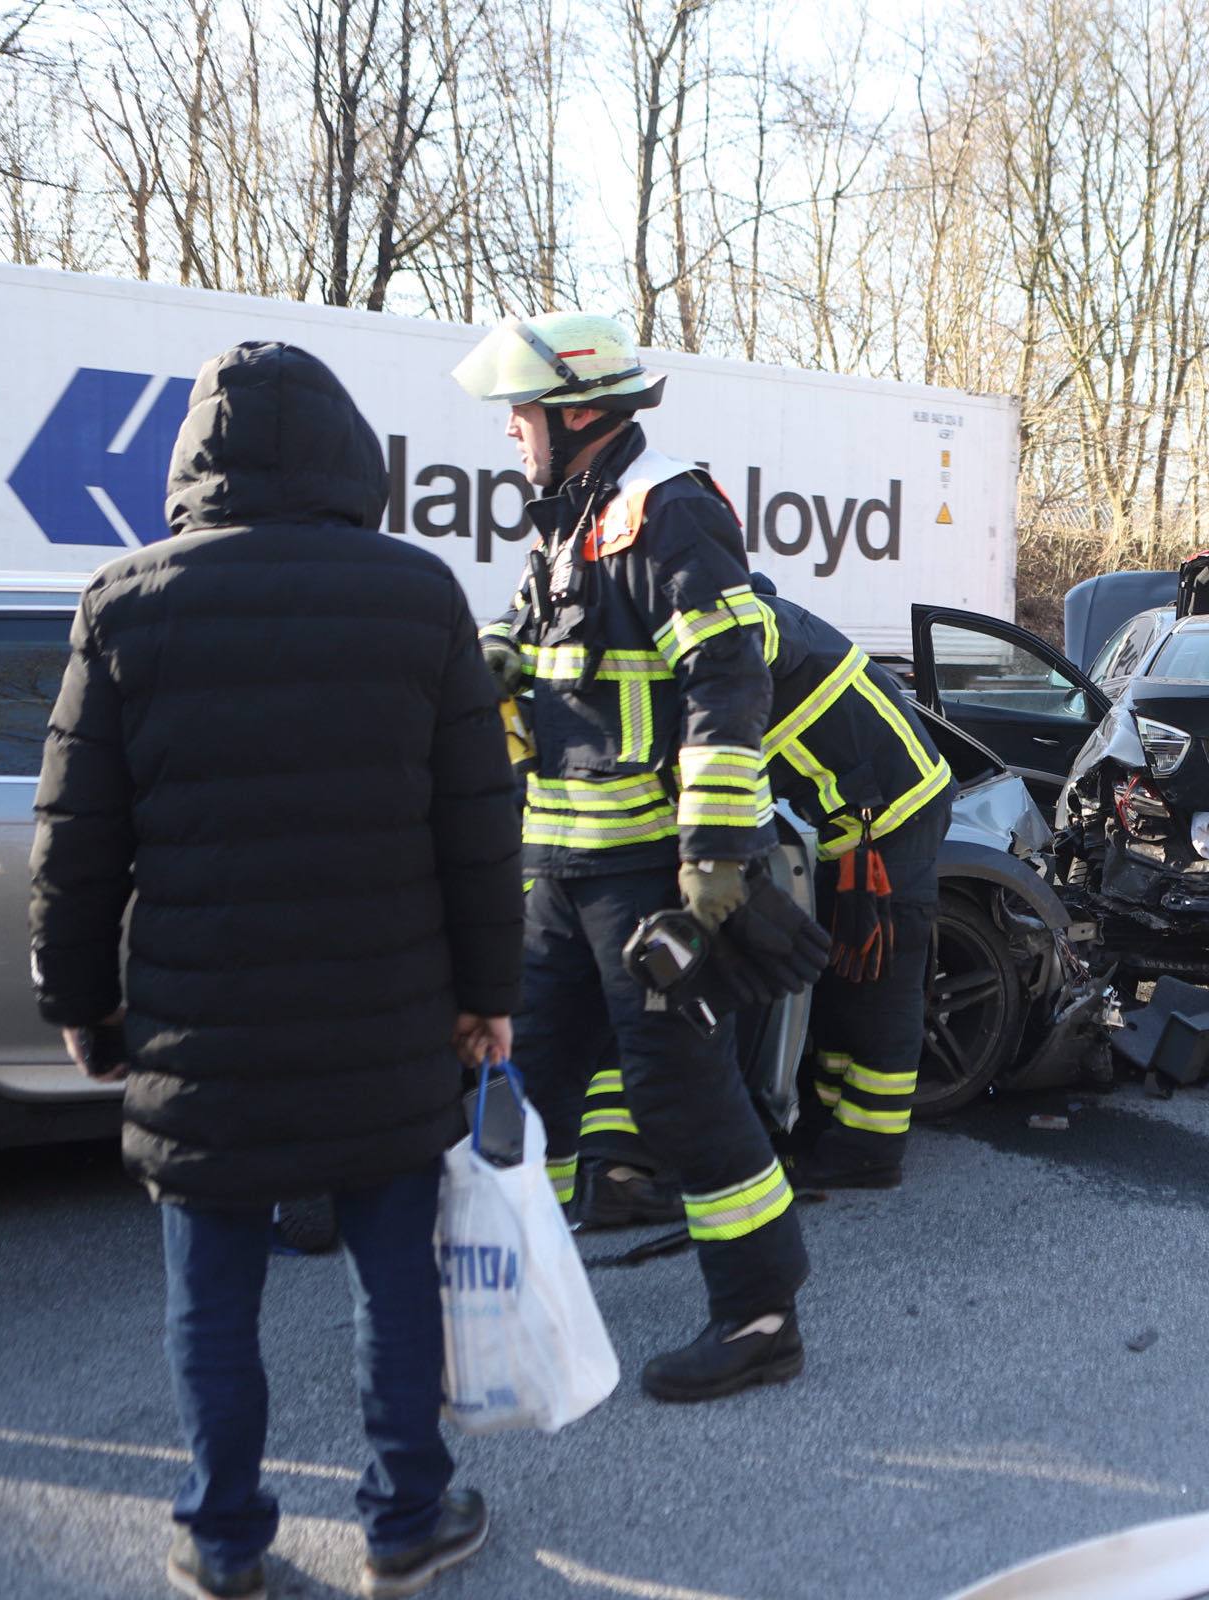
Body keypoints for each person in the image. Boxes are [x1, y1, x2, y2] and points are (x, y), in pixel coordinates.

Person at [29, 343, 522, 1600]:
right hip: (386, 1016)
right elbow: (478, 824)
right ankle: (408, 1517)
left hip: (204, 1027)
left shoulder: (127, 600)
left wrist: (82, 1005)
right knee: (394, 1280)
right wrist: (488, 995)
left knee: (212, 1297)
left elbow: (76, 841)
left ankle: (224, 1535)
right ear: (349, 455)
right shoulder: (418, 597)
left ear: (196, 462)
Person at [455, 312, 810, 1403]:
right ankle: (520, 1294)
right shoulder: (571, 519)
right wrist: (499, 656)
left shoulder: (669, 511)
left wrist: (713, 856)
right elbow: (551, 647)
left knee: (682, 1090)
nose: (511, 430)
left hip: (650, 875)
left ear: (581, 411)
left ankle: (759, 1317)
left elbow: (728, 680)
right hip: (558, 871)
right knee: (524, 1076)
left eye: (524, 410)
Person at [577, 572, 953, 1195]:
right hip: (856, 819)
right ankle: (828, 1120)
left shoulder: (749, 632)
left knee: (877, 981)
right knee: (840, 975)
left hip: (896, 814)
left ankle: (870, 1148)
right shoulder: (737, 634)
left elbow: (731, 746)